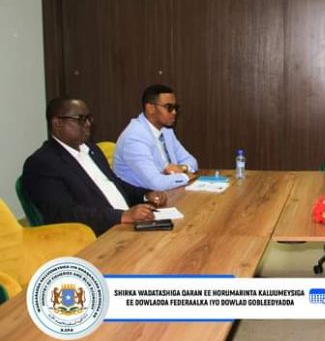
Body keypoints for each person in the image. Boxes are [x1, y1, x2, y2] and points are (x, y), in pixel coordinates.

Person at [22, 97, 166, 236]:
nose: (88, 124)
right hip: (98, 235)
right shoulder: (42, 163)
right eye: (80, 119)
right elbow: (63, 213)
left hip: (127, 225)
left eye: (89, 118)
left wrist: (145, 195)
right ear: (57, 124)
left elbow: (115, 184)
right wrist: (121, 216)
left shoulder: (91, 149)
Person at [114, 84, 198, 190]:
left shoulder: (166, 131)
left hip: (168, 190)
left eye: (175, 107)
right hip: (140, 197)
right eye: (169, 107)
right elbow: (156, 183)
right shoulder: (134, 137)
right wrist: (185, 177)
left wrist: (183, 168)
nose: (174, 112)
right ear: (150, 108)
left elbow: (191, 161)